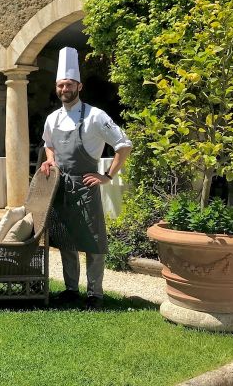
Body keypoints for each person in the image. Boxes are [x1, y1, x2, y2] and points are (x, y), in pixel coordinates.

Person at [40, 47, 132, 310]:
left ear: (79, 86)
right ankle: (71, 289)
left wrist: (107, 175)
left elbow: (123, 145)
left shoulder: (95, 116)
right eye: (60, 85)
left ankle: (95, 293)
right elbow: (49, 144)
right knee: (66, 240)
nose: (64, 88)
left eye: (69, 84)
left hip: (86, 186)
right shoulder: (52, 118)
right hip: (61, 188)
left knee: (93, 242)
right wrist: (50, 159)